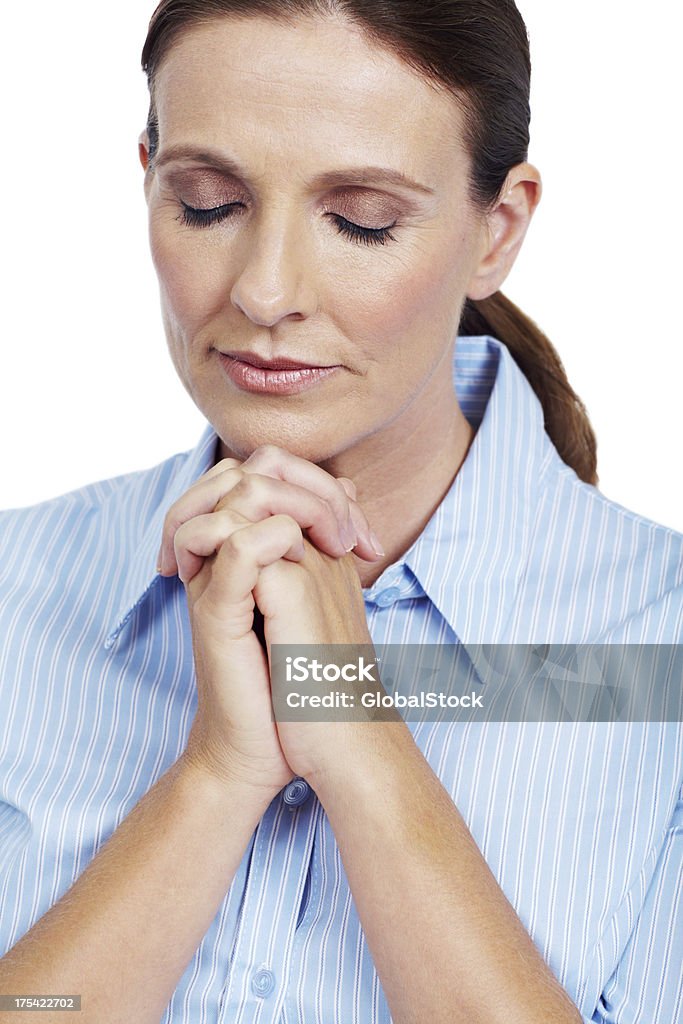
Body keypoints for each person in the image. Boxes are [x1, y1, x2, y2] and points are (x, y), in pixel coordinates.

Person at [0, 2, 680, 1022]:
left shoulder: (655, 640)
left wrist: (360, 742)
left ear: (496, 231)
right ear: (143, 178)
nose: (266, 291)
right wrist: (217, 777)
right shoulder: (17, 587)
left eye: (360, 218)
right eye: (206, 202)